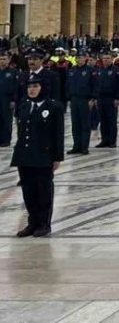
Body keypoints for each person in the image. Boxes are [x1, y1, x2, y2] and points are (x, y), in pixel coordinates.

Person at [11, 75, 65, 237]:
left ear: (43, 88)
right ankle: (32, 222)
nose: (32, 90)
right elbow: (21, 131)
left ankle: (43, 223)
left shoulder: (53, 107)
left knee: (44, 190)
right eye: (29, 87)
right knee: (28, 191)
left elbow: (58, 134)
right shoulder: (24, 105)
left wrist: (57, 157)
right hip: (25, 155)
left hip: (44, 155)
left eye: (35, 86)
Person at [92, 50, 119, 148]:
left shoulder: (117, 70)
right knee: (103, 120)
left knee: (111, 120)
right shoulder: (99, 70)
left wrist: (118, 98)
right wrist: (95, 98)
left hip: (111, 99)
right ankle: (104, 140)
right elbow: (96, 85)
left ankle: (112, 141)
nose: (105, 60)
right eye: (104, 58)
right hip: (101, 98)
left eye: (107, 58)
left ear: (112, 59)